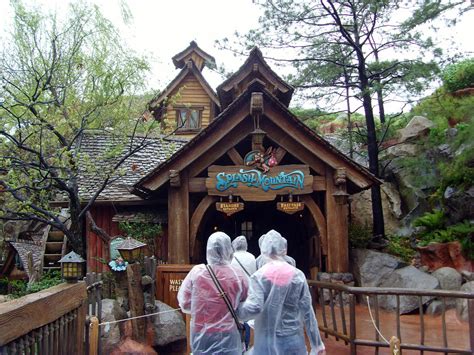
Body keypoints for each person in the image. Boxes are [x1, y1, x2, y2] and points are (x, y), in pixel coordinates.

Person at [237, 231, 325, 355]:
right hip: (293, 341)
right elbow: (308, 312)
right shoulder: (298, 275)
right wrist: (317, 345)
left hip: (266, 343)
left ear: (263, 250)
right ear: (283, 249)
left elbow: (254, 308)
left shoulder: (259, 276)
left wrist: (235, 311)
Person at [177, 232, 249, 355]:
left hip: (201, 333)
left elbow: (184, 303)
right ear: (229, 250)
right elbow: (246, 304)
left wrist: (203, 309)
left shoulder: (197, 273)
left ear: (208, 250)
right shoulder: (238, 275)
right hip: (229, 334)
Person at [231, 235, 257, 350]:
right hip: (250, 291)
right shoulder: (252, 257)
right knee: (247, 319)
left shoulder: (231, 257)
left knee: (236, 319)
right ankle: (246, 345)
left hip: (236, 292)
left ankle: (238, 345)